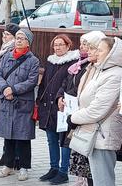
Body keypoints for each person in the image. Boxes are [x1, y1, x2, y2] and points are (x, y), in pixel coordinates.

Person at [69, 37, 122, 186]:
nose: (96, 53)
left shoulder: (115, 74)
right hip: (95, 133)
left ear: (112, 53)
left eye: (100, 50)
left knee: (103, 180)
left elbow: (97, 109)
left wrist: (73, 117)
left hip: (103, 134)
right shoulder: (102, 71)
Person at [0, 29, 39, 181]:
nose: (19, 41)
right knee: (8, 136)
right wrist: (5, 88)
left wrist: (12, 89)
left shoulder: (33, 60)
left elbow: (32, 81)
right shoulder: (7, 56)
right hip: (7, 102)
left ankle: (24, 167)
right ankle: (8, 165)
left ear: (28, 42)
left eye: (22, 38)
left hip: (22, 104)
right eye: (17, 38)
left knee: (23, 137)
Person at [64, 31, 106, 186]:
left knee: (97, 171)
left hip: (93, 123)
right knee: (87, 168)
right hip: (81, 117)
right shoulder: (88, 66)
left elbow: (98, 101)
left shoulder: (103, 70)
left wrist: (77, 115)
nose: (87, 50)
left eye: (92, 47)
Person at [37, 34, 80, 184]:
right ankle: (53, 168)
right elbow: (43, 84)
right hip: (48, 106)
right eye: (55, 45)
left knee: (64, 140)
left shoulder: (74, 63)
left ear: (68, 46)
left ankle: (63, 171)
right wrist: (39, 101)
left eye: (61, 44)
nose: (58, 47)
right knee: (51, 139)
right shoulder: (50, 62)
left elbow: (71, 84)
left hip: (63, 106)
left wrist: (62, 98)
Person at [0, 23, 20, 167]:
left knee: (13, 125)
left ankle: (14, 156)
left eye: (7, 34)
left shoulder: (11, 49)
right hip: (2, 87)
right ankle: (6, 155)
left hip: (9, 90)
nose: (4, 37)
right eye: (3, 34)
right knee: (5, 124)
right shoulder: (4, 49)